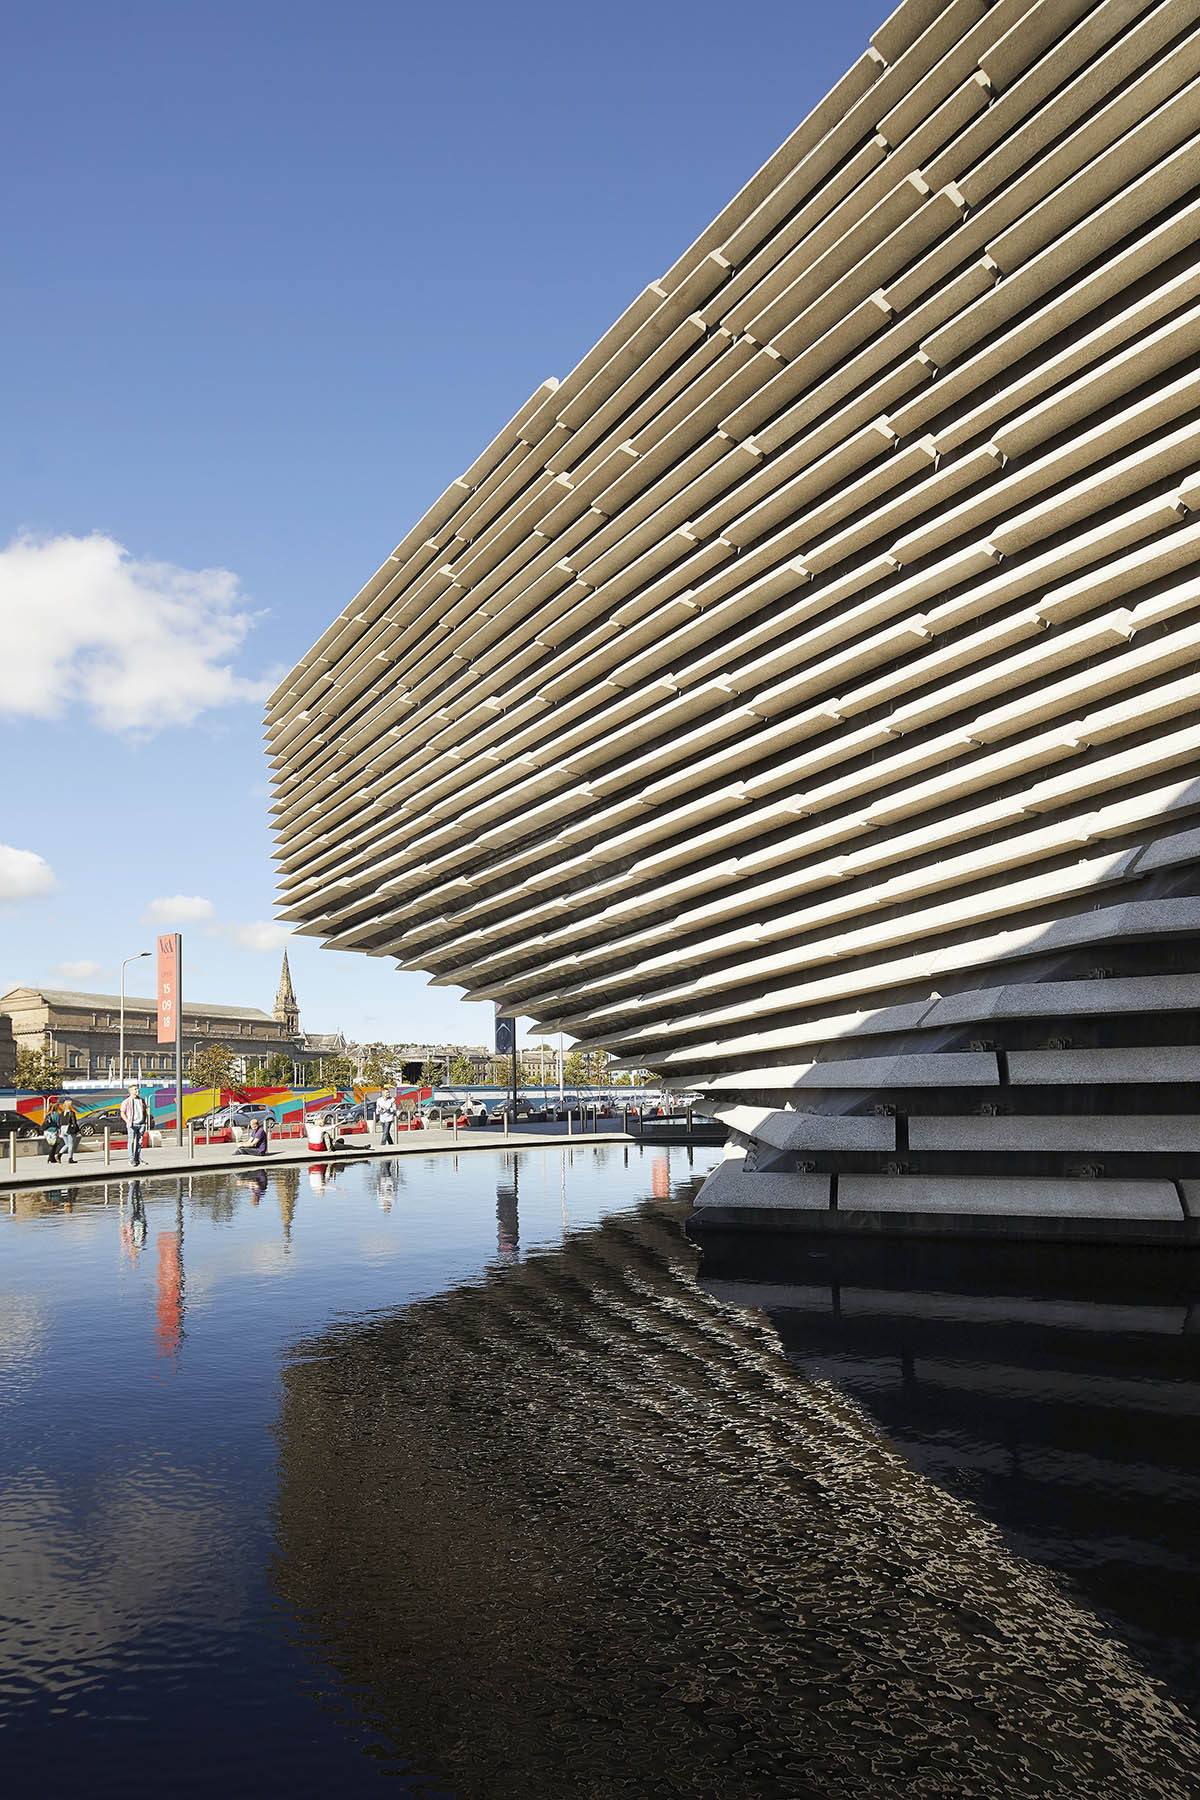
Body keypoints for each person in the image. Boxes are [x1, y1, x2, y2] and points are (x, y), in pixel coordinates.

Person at [120, 1083, 150, 1167]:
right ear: (130, 1091)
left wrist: (144, 1121)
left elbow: (144, 1111)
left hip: (141, 1124)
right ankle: (131, 1159)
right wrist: (127, 1121)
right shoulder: (126, 1101)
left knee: (139, 1142)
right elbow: (122, 1113)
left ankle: (137, 1158)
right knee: (131, 1142)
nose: (137, 1090)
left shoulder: (141, 1100)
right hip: (132, 1124)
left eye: (137, 1089)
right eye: (135, 1089)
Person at [59, 1097, 81, 1163]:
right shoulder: (72, 1113)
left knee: (67, 1144)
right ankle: (70, 1158)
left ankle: (59, 1155)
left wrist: (60, 1131)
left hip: (63, 1129)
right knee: (71, 1145)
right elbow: (74, 1122)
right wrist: (77, 1130)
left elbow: (60, 1122)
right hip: (69, 1129)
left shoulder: (62, 1113)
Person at [43, 1096, 64, 1163]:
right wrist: (60, 1129)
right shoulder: (57, 1115)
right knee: (54, 1145)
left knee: (52, 1145)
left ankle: (52, 1158)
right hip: (53, 1131)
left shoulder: (48, 1114)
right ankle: (50, 1158)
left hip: (47, 1131)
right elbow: (58, 1123)